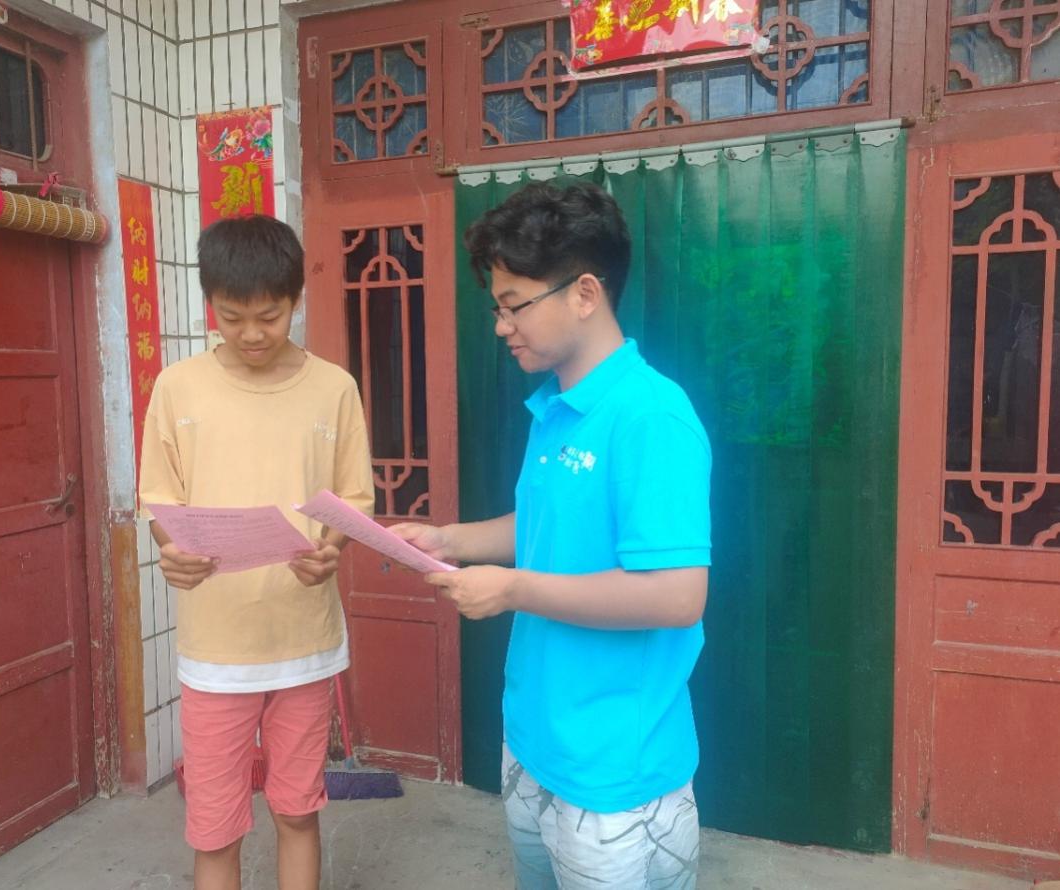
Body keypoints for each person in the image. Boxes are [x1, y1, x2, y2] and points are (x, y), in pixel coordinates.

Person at [393, 181, 712, 889]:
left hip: (613, 770)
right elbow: (545, 528)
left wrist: (512, 590)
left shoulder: (650, 416)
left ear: (585, 293)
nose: (502, 326)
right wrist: (451, 541)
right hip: (536, 739)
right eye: (497, 307)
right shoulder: (558, 408)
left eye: (515, 305)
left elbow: (676, 595)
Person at [139, 215, 374, 890]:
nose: (250, 334)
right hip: (217, 650)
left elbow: (353, 497)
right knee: (215, 826)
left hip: (304, 641)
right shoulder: (177, 387)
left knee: (298, 811)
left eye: (268, 317)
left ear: (295, 301)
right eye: (231, 316)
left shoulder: (333, 388)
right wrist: (172, 551)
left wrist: (330, 547)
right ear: (209, 302)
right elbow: (159, 499)